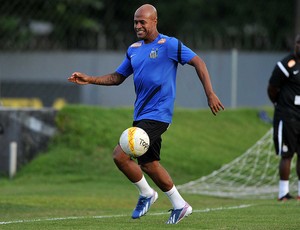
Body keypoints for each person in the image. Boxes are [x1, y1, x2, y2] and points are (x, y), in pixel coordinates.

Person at [68, 4, 224, 224]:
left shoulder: (169, 44)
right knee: (149, 165)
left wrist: (210, 93)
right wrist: (90, 79)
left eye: (143, 21)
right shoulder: (133, 49)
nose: (138, 26)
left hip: (159, 114)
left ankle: (146, 194)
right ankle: (180, 205)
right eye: (135, 22)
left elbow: (198, 62)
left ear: (155, 21)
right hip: (142, 115)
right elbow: (117, 77)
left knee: (119, 155)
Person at [267, 34, 300, 201]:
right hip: (287, 115)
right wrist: (280, 104)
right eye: (298, 42)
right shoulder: (285, 65)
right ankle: (283, 193)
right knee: (287, 154)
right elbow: (272, 89)